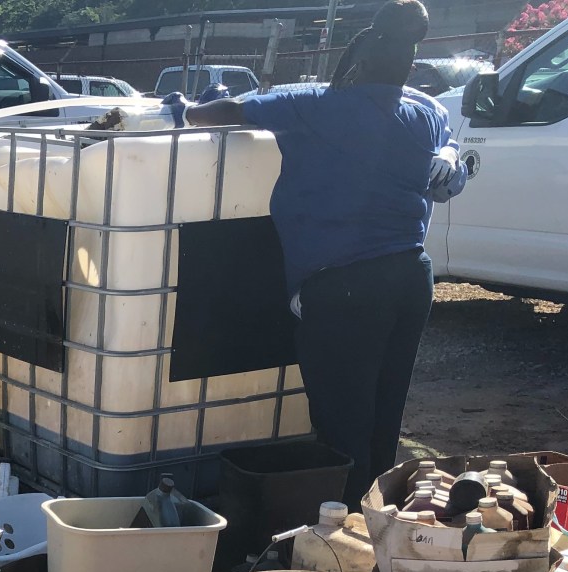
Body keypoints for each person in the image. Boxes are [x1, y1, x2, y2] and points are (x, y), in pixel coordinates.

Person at [165, 0, 468, 504]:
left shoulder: (311, 104)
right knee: (383, 410)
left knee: (341, 420)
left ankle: (342, 529)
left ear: (358, 59)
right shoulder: (428, 113)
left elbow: (216, 113)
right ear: (409, 65)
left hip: (344, 286)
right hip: (412, 278)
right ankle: (379, 518)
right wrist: (452, 156)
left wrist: (182, 107)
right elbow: (446, 173)